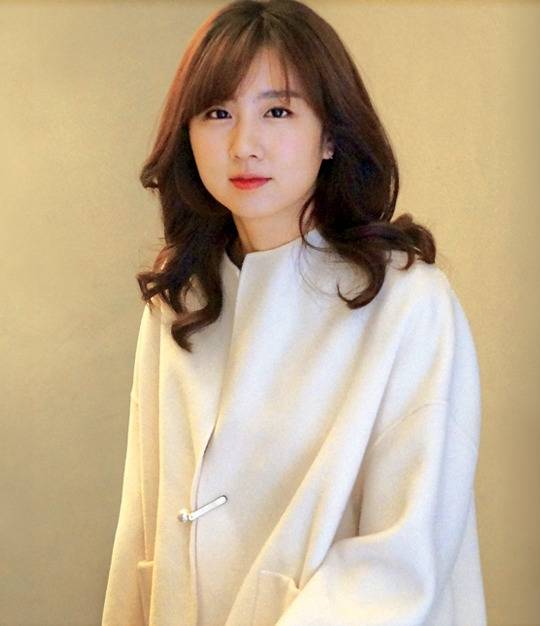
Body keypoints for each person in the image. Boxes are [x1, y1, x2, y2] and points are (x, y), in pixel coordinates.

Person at [102, 1, 487, 625]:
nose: (243, 145)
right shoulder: (181, 301)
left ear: (330, 134)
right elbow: (142, 531)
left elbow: (400, 561)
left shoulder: (408, 304)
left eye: (277, 111)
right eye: (217, 113)